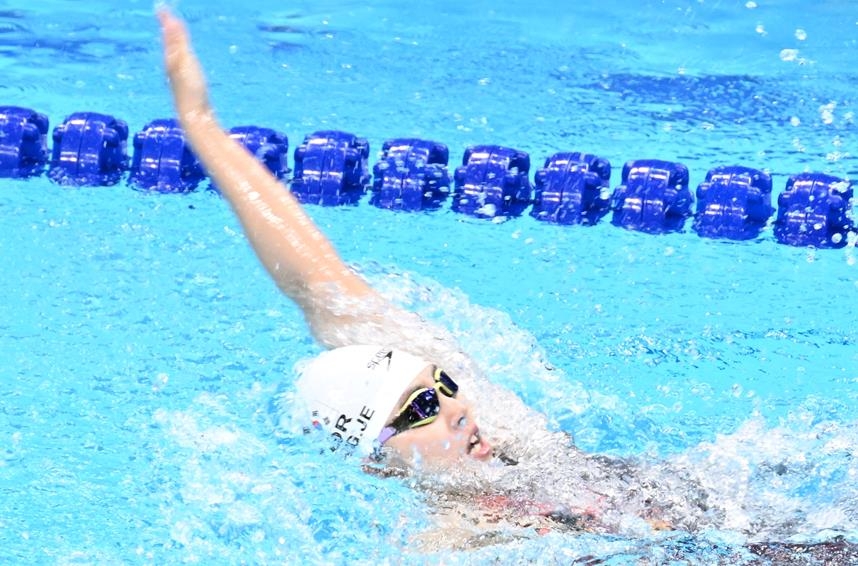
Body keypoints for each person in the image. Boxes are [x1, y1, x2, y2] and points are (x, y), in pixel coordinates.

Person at [157, 9, 858, 555]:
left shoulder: (507, 433)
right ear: (377, 466)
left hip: (772, 513)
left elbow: (322, 286)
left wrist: (202, 126)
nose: (454, 407)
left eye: (440, 386)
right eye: (419, 409)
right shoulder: (454, 540)